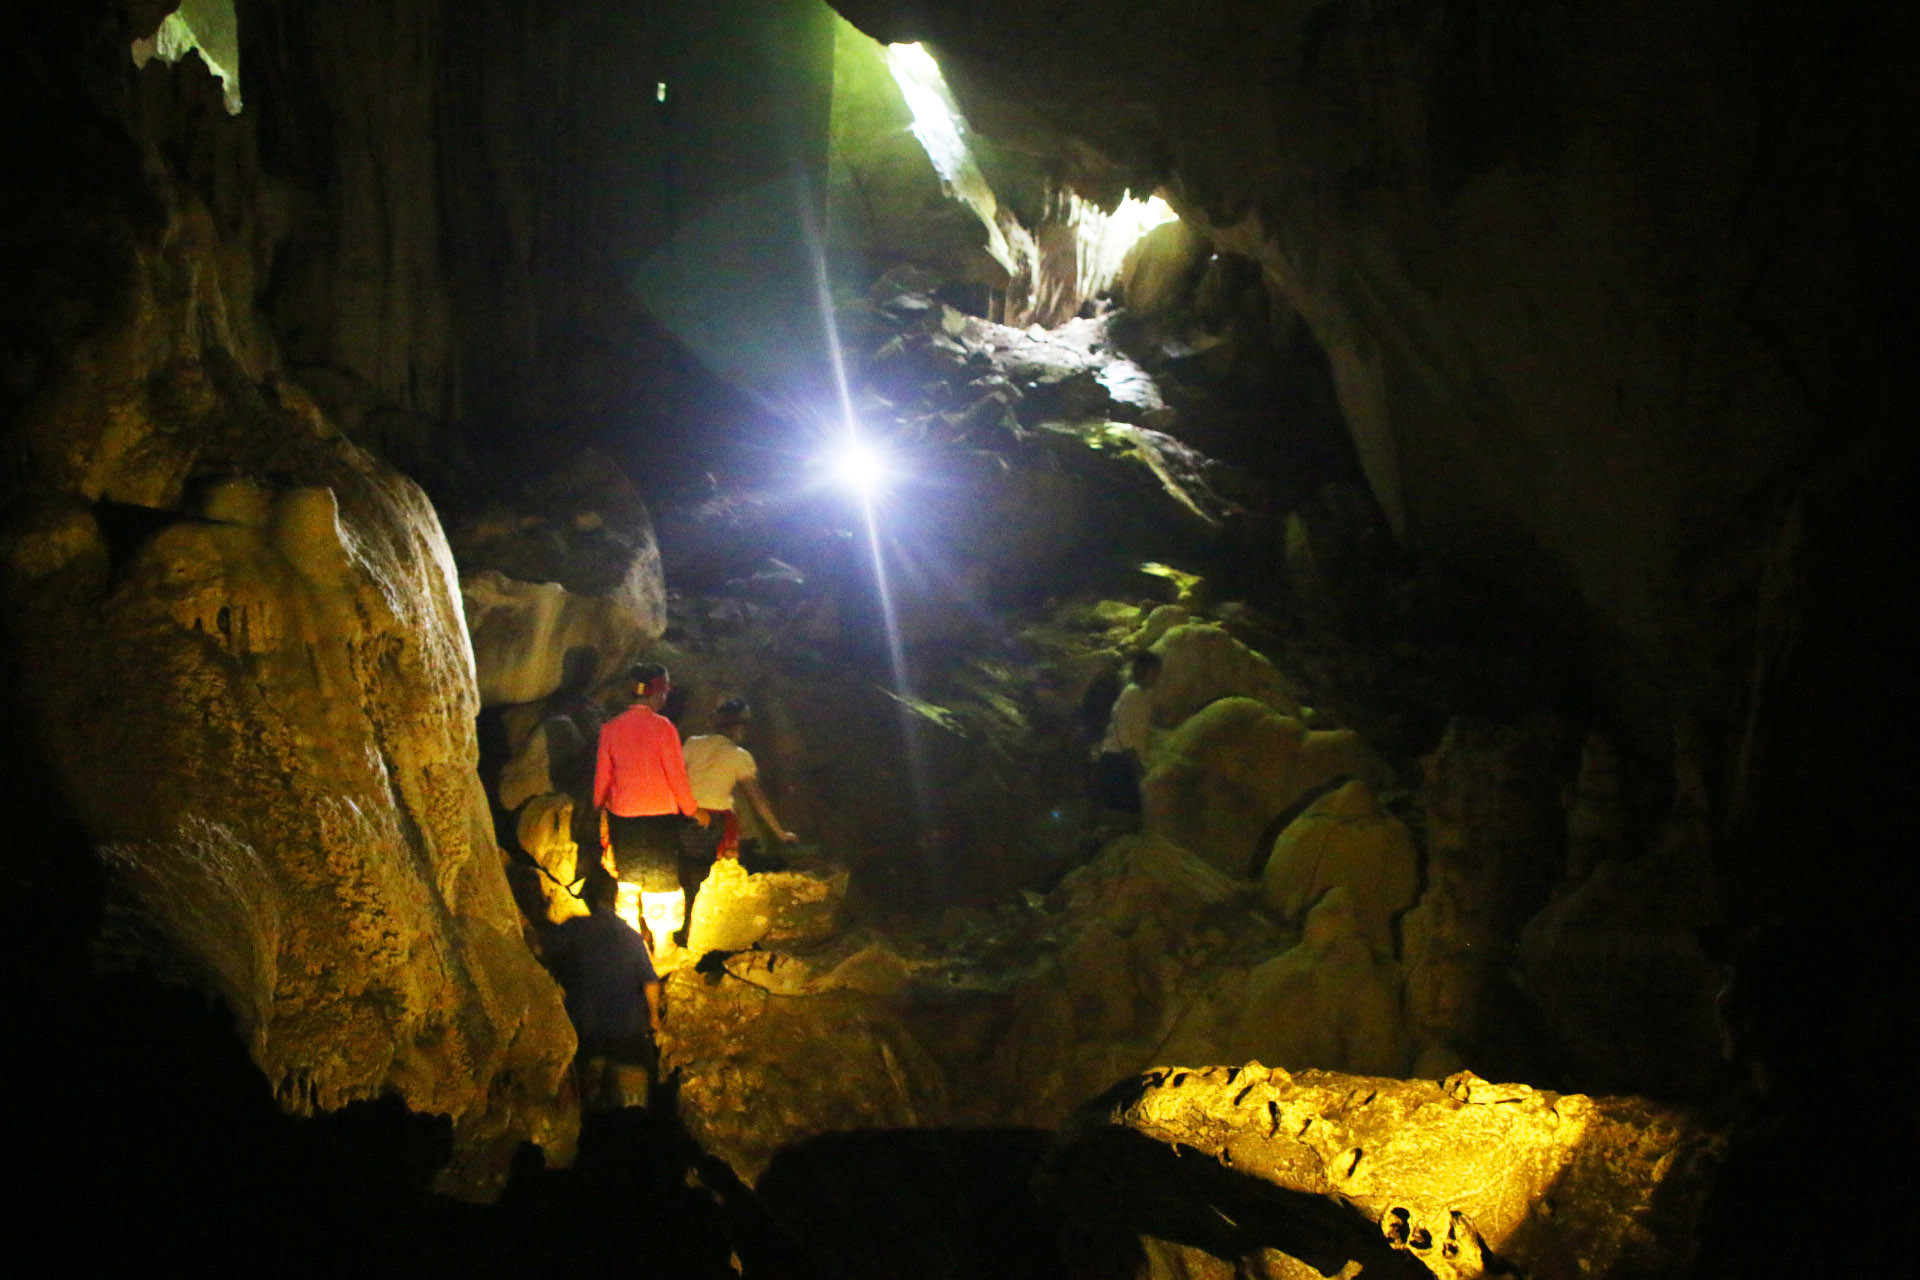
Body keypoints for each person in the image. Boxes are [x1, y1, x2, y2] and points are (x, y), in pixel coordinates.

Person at [594, 662, 702, 950]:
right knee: (661, 878)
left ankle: (631, 948)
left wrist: (598, 808)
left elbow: (602, 778)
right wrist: (691, 809)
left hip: (623, 818)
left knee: (629, 880)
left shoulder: (610, 729)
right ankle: (664, 946)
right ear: (658, 694)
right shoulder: (663, 728)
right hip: (659, 818)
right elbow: (676, 776)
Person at [676, 698, 800, 946]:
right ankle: (708, 934)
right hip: (715, 821)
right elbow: (758, 799)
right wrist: (780, 832)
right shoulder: (738, 756)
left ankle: (682, 931)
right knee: (714, 880)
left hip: (682, 816)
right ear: (738, 727)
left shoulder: (692, 743)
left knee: (685, 875)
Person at [542, 873, 663, 1110]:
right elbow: (650, 981)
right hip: (626, 1028)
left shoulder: (572, 930)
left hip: (585, 1027)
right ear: (614, 898)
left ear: (586, 898)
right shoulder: (631, 937)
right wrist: (654, 1018)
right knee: (632, 1102)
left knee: (590, 1099)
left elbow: (543, 951)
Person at [1092, 651, 1160, 814]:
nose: (1158, 677)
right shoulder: (1132, 693)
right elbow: (1122, 727)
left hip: (1125, 758)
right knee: (1126, 811)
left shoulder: (1144, 695)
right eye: (1155, 672)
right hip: (1118, 758)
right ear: (1145, 671)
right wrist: (1134, 760)